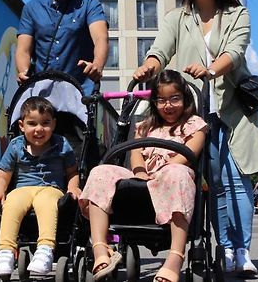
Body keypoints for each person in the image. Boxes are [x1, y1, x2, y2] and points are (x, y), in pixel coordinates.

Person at [133, 0, 258, 276]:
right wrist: (149, 66)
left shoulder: (236, 15)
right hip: (194, 115)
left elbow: (234, 53)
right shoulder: (178, 18)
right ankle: (227, 248)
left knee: (237, 179)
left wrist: (210, 69)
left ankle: (242, 247)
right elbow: (160, 50)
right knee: (214, 182)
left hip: (231, 110)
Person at [79, 70, 207, 282]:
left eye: (174, 99)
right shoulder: (145, 126)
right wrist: (140, 173)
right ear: (154, 102)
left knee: (176, 173)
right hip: (144, 177)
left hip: (173, 175)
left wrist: (162, 173)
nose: (168, 105)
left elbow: (189, 154)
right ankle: (101, 248)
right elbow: (136, 154)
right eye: (161, 100)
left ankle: (175, 257)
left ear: (185, 99)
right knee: (100, 171)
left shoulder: (195, 124)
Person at [0, 96, 81, 277]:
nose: (39, 129)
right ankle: (6, 252)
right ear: (22, 126)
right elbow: (2, 175)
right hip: (22, 189)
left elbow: (72, 172)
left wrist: (74, 187)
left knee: (46, 203)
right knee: (11, 203)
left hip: (51, 188)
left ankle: (45, 249)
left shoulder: (61, 144)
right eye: (32, 124)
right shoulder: (16, 146)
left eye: (45, 123)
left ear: (53, 124)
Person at [15, 0, 109, 94]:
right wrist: (23, 72)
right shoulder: (31, 8)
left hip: (81, 93)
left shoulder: (89, 4)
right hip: (42, 94)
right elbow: (23, 49)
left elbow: (101, 38)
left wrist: (97, 65)